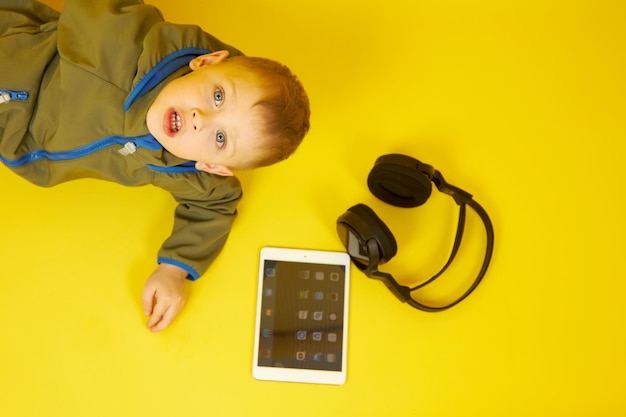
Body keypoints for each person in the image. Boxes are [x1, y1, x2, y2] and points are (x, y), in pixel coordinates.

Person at [0, 0, 311, 331]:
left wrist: (174, 270)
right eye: (217, 97)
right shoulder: (125, 43)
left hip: (18, 143)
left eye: (220, 139)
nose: (199, 119)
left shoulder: (187, 169)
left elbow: (217, 204)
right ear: (204, 62)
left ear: (213, 166)